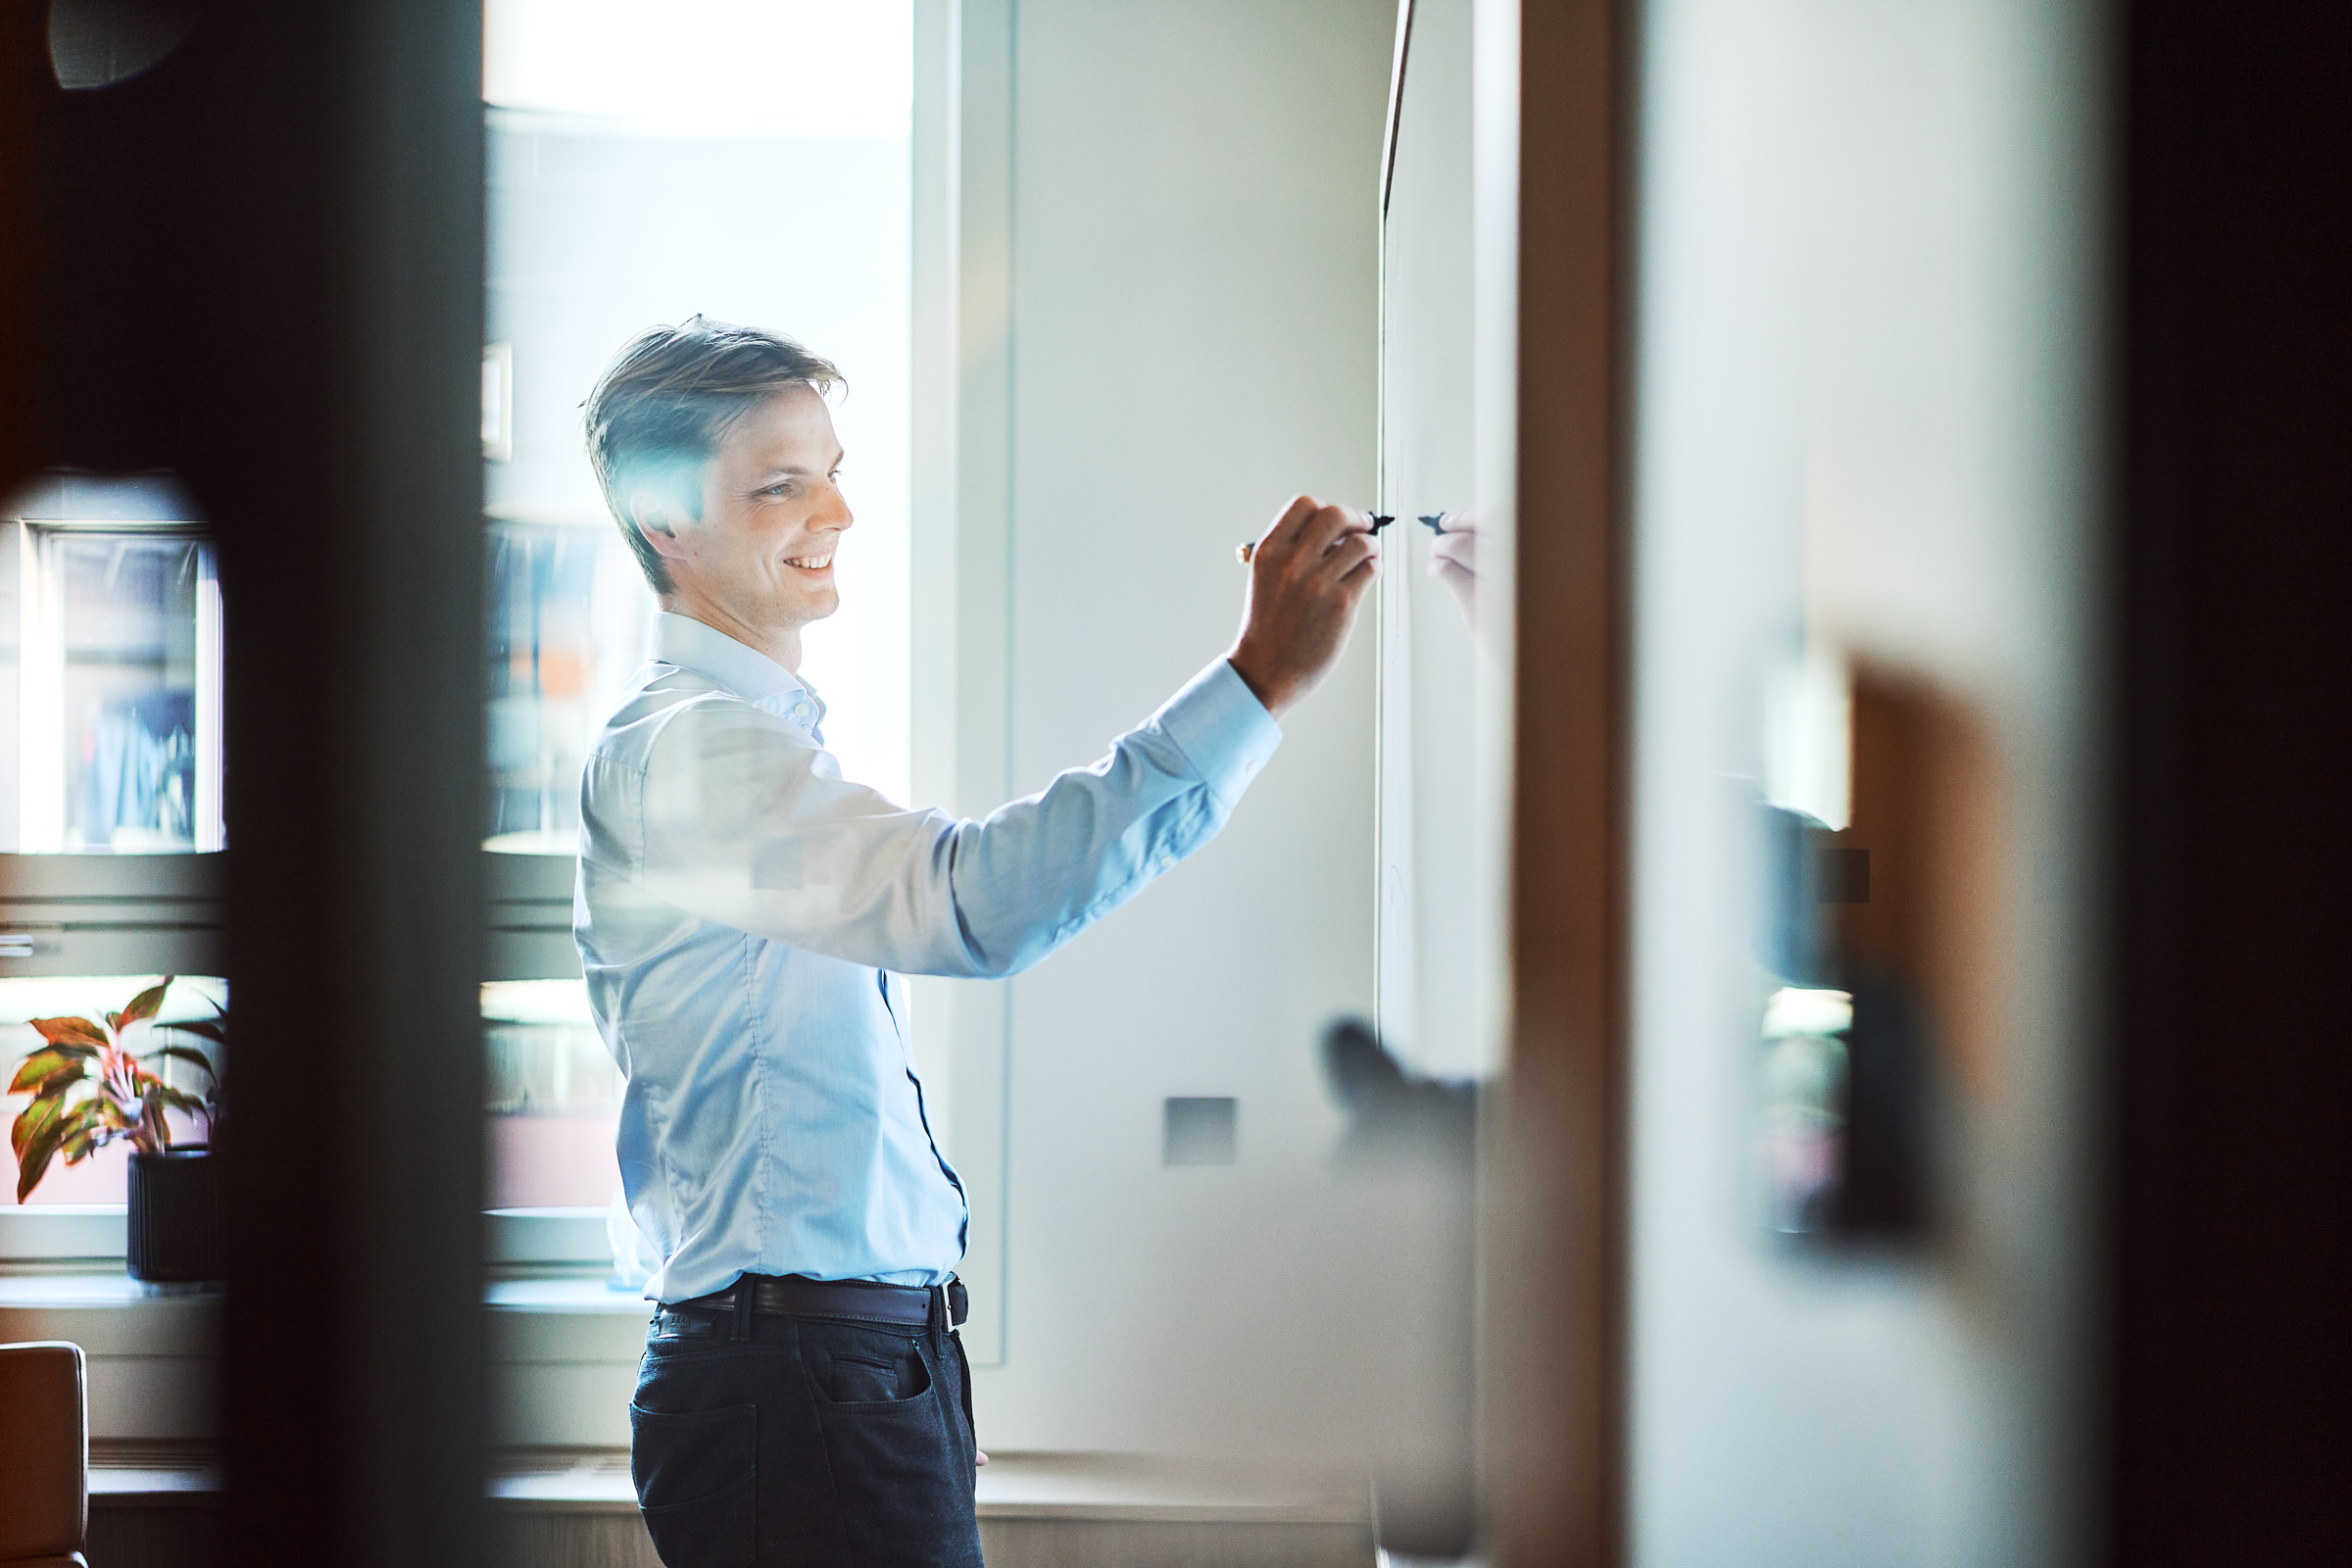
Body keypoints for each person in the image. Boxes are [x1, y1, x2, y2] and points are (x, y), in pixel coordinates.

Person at [572, 317, 1377, 1568]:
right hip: (798, 1375)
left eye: (832, 467)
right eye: (781, 484)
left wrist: (908, 1374)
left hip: (843, 1367)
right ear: (665, 523)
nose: (835, 510)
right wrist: (1255, 680)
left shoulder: (752, 742)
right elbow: (968, 902)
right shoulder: (690, 749)